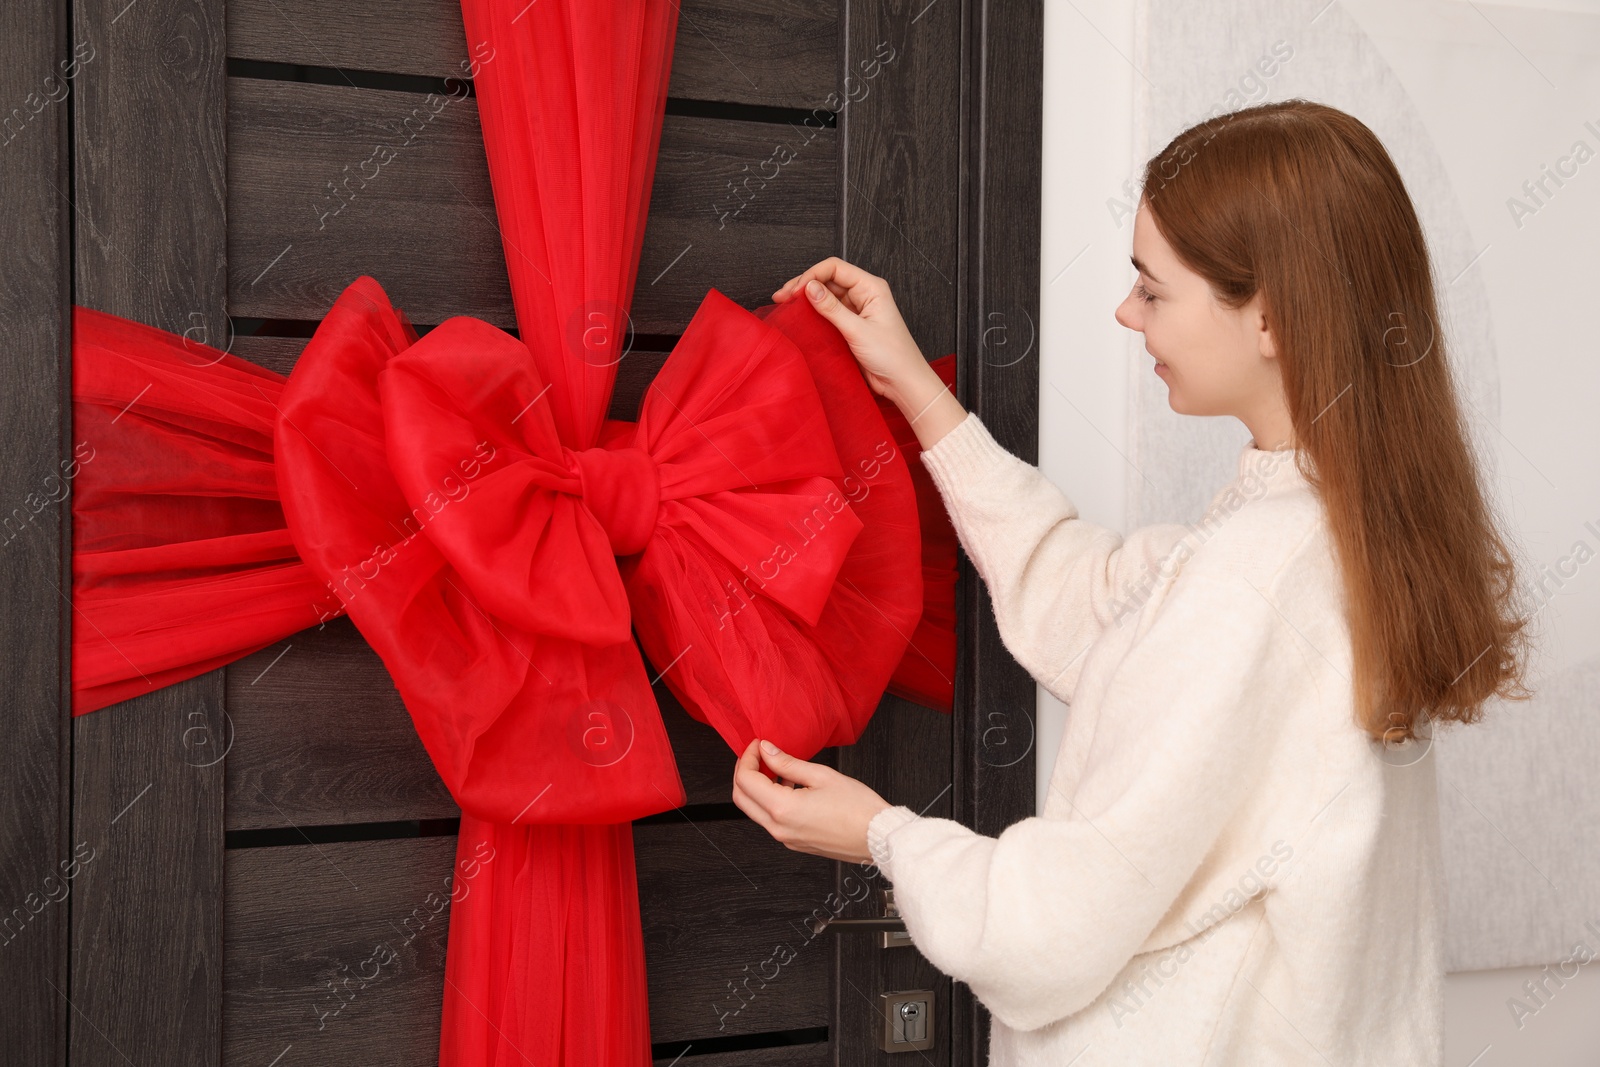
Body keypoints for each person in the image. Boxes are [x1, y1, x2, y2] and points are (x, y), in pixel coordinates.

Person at [730, 100, 1533, 1065]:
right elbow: (1102, 599)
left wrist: (880, 836)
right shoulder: (1335, 531)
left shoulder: (1258, 579)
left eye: (1152, 289)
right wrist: (920, 393)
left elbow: (1056, 925)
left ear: (1271, 315)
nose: (1126, 312)